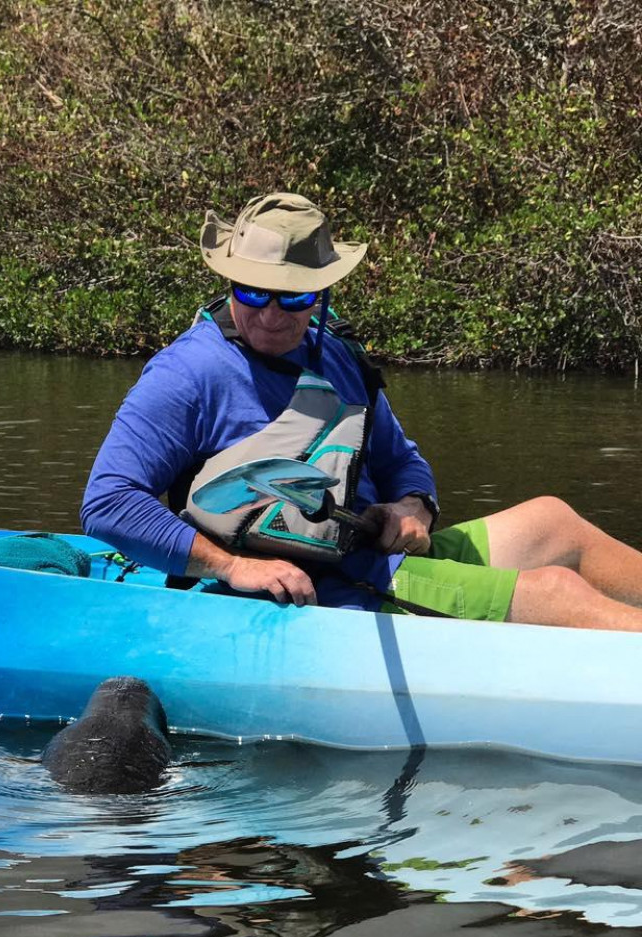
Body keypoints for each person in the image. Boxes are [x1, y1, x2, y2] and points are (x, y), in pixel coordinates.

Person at [81, 193, 642, 630]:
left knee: (553, 520)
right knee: (555, 592)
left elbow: (403, 460)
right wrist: (233, 567)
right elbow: (108, 502)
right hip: (309, 589)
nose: (272, 315)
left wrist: (413, 509)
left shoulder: (340, 356)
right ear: (230, 282)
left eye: (294, 297)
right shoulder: (186, 375)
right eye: (253, 293)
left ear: (321, 294)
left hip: (372, 556)